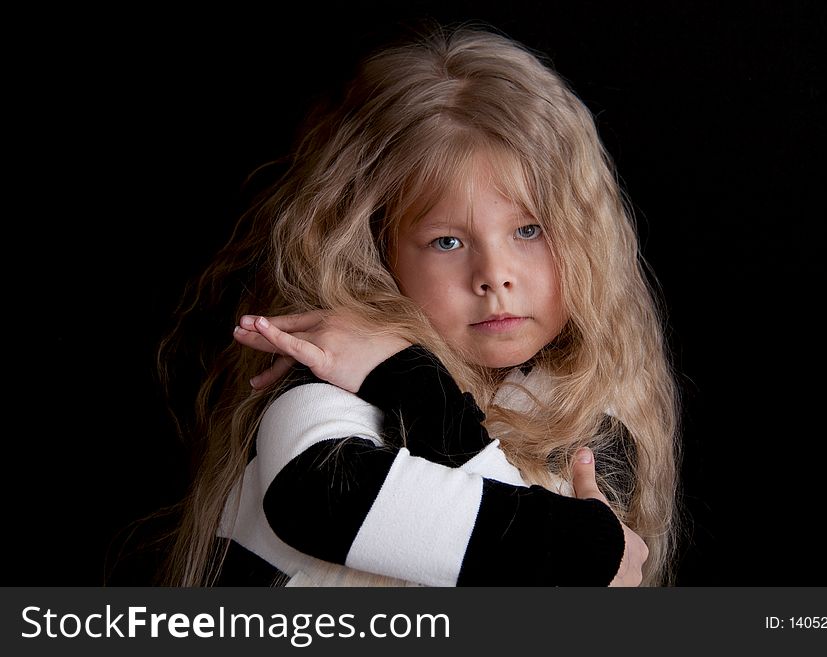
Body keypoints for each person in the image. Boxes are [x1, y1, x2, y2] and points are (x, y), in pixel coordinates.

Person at [157, 24, 681, 587]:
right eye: (447, 242)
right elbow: (320, 501)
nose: (495, 277)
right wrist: (406, 376)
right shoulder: (336, 370)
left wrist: (569, 552)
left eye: (529, 230)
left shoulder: (590, 416)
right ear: (379, 250)